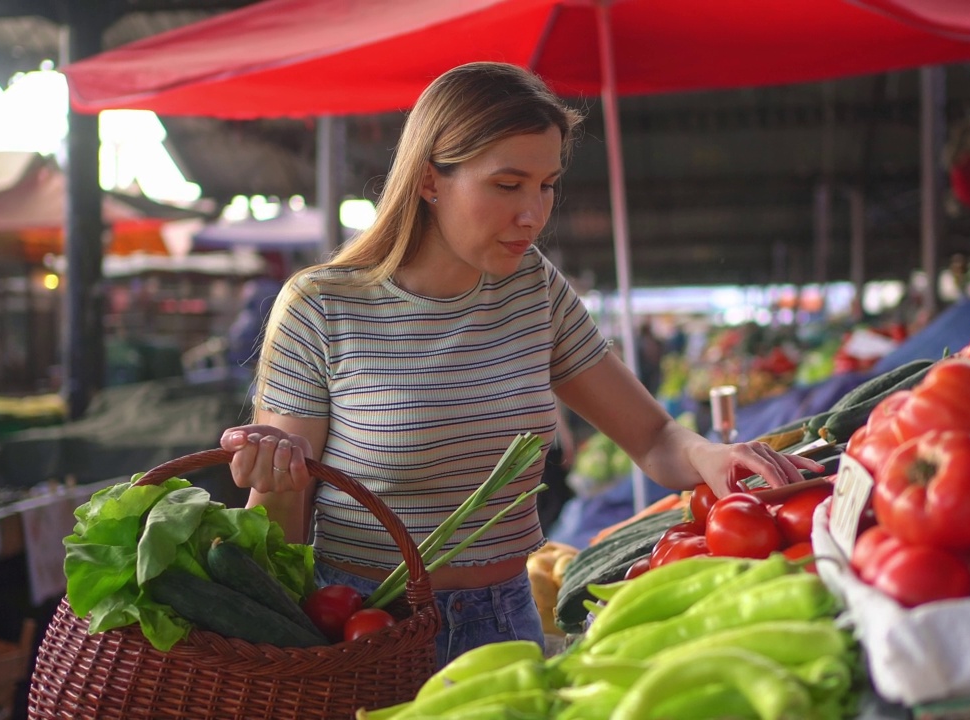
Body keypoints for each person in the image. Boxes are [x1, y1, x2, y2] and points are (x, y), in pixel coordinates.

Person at [218, 62, 820, 667]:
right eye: (508, 185)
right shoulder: (322, 307)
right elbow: (283, 531)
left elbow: (655, 437)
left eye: (547, 184)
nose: (533, 214)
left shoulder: (535, 288)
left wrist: (710, 457)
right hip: (367, 629)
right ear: (430, 179)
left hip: (507, 620)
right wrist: (270, 477)